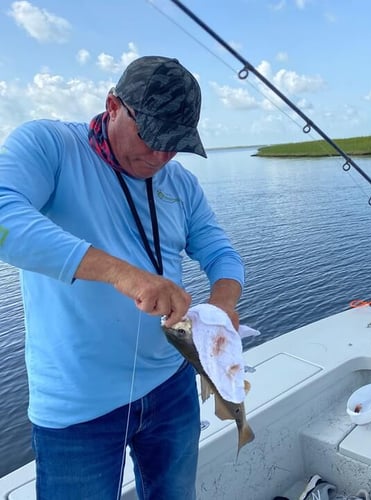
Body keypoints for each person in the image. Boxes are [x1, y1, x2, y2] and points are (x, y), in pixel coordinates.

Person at [0, 56, 245, 499]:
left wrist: (224, 301)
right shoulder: (49, 145)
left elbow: (218, 249)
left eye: (175, 144)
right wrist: (124, 275)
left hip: (172, 387)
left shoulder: (180, 182)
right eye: (151, 137)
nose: (159, 156)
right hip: (78, 407)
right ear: (113, 106)